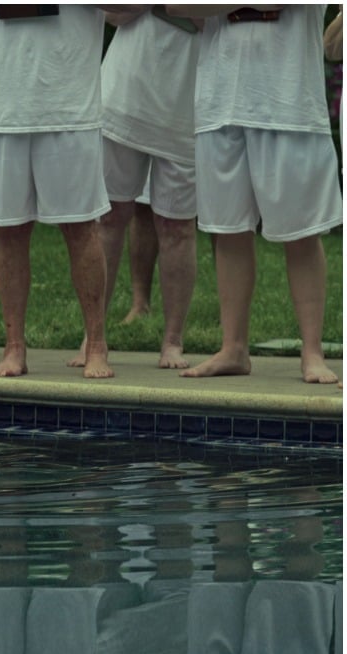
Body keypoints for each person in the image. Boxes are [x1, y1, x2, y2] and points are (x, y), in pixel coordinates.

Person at [0, 4, 114, 379]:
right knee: (9, 229)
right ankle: (14, 347)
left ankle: (96, 345)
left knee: (82, 227)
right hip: (1, 107)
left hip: (68, 105)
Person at [168, 4, 341, 384]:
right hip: (220, 100)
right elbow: (176, 5)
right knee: (227, 231)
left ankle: (312, 351)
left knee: (302, 233)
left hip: (289, 103)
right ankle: (234, 348)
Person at [81, 7, 201, 370]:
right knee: (109, 219)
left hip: (186, 104)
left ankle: (173, 342)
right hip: (124, 95)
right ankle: (93, 337)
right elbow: (115, 12)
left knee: (178, 226)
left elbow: (212, 17)